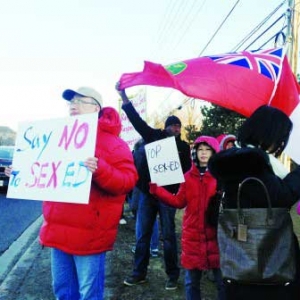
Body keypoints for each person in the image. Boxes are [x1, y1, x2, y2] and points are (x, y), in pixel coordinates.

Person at [6, 87, 138, 300]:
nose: (73, 106)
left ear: (96, 108)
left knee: (88, 294)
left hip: (90, 235)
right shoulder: (56, 136)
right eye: (70, 102)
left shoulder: (114, 144)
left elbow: (128, 181)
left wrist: (101, 169)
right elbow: (45, 169)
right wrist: (22, 171)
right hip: (58, 231)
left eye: (79, 101)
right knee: (63, 292)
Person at [208, 105, 300, 300]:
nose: (281, 143)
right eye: (282, 137)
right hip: (268, 259)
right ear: (270, 134)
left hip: (241, 258)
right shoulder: (251, 163)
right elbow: (282, 196)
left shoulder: (234, 161)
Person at [116, 85, 192, 290]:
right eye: (173, 125)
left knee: (168, 236)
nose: (176, 129)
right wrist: (123, 97)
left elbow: (187, 172)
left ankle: (172, 276)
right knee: (142, 235)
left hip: (169, 197)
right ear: (166, 126)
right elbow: (136, 121)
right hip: (148, 195)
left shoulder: (184, 148)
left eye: (178, 127)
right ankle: (139, 273)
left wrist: (180, 193)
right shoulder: (153, 136)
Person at [150, 136, 225, 300]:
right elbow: (178, 201)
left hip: (216, 235)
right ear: (195, 153)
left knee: (222, 282)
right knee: (191, 282)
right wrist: (158, 190)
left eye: (207, 150)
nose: (204, 153)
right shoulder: (187, 177)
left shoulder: (221, 177)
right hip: (192, 236)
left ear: (214, 153)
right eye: (200, 150)